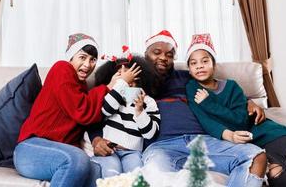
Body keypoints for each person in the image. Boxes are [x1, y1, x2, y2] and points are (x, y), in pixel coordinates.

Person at [91, 30, 267, 187]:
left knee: (255, 157)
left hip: (203, 141)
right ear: (145, 55)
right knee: (155, 177)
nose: (163, 58)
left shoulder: (188, 76)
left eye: (169, 54)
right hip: (161, 148)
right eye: (157, 53)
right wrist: (96, 139)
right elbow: (99, 113)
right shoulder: (133, 82)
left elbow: (220, 91)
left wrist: (248, 102)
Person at [13, 33, 140, 187]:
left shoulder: (83, 89)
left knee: (105, 175)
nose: (87, 64)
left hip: (62, 153)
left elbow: (92, 119)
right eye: (82, 57)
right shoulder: (62, 68)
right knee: (77, 159)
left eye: (93, 60)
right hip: (31, 149)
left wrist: (97, 140)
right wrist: (110, 87)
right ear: (71, 57)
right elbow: (82, 111)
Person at [185, 33, 286, 187]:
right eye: (193, 63)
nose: (199, 66)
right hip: (245, 144)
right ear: (189, 69)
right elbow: (206, 121)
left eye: (205, 61)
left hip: (263, 131)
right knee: (277, 173)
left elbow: (240, 121)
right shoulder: (192, 89)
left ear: (214, 65)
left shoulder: (231, 86)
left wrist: (209, 104)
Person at [89, 46, 161, 178]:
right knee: (110, 172)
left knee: (135, 176)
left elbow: (150, 134)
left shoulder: (149, 102)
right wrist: (121, 85)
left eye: (134, 80)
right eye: (125, 80)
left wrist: (140, 111)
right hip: (109, 149)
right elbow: (106, 110)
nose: (130, 84)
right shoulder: (112, 97)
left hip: (132, 152)